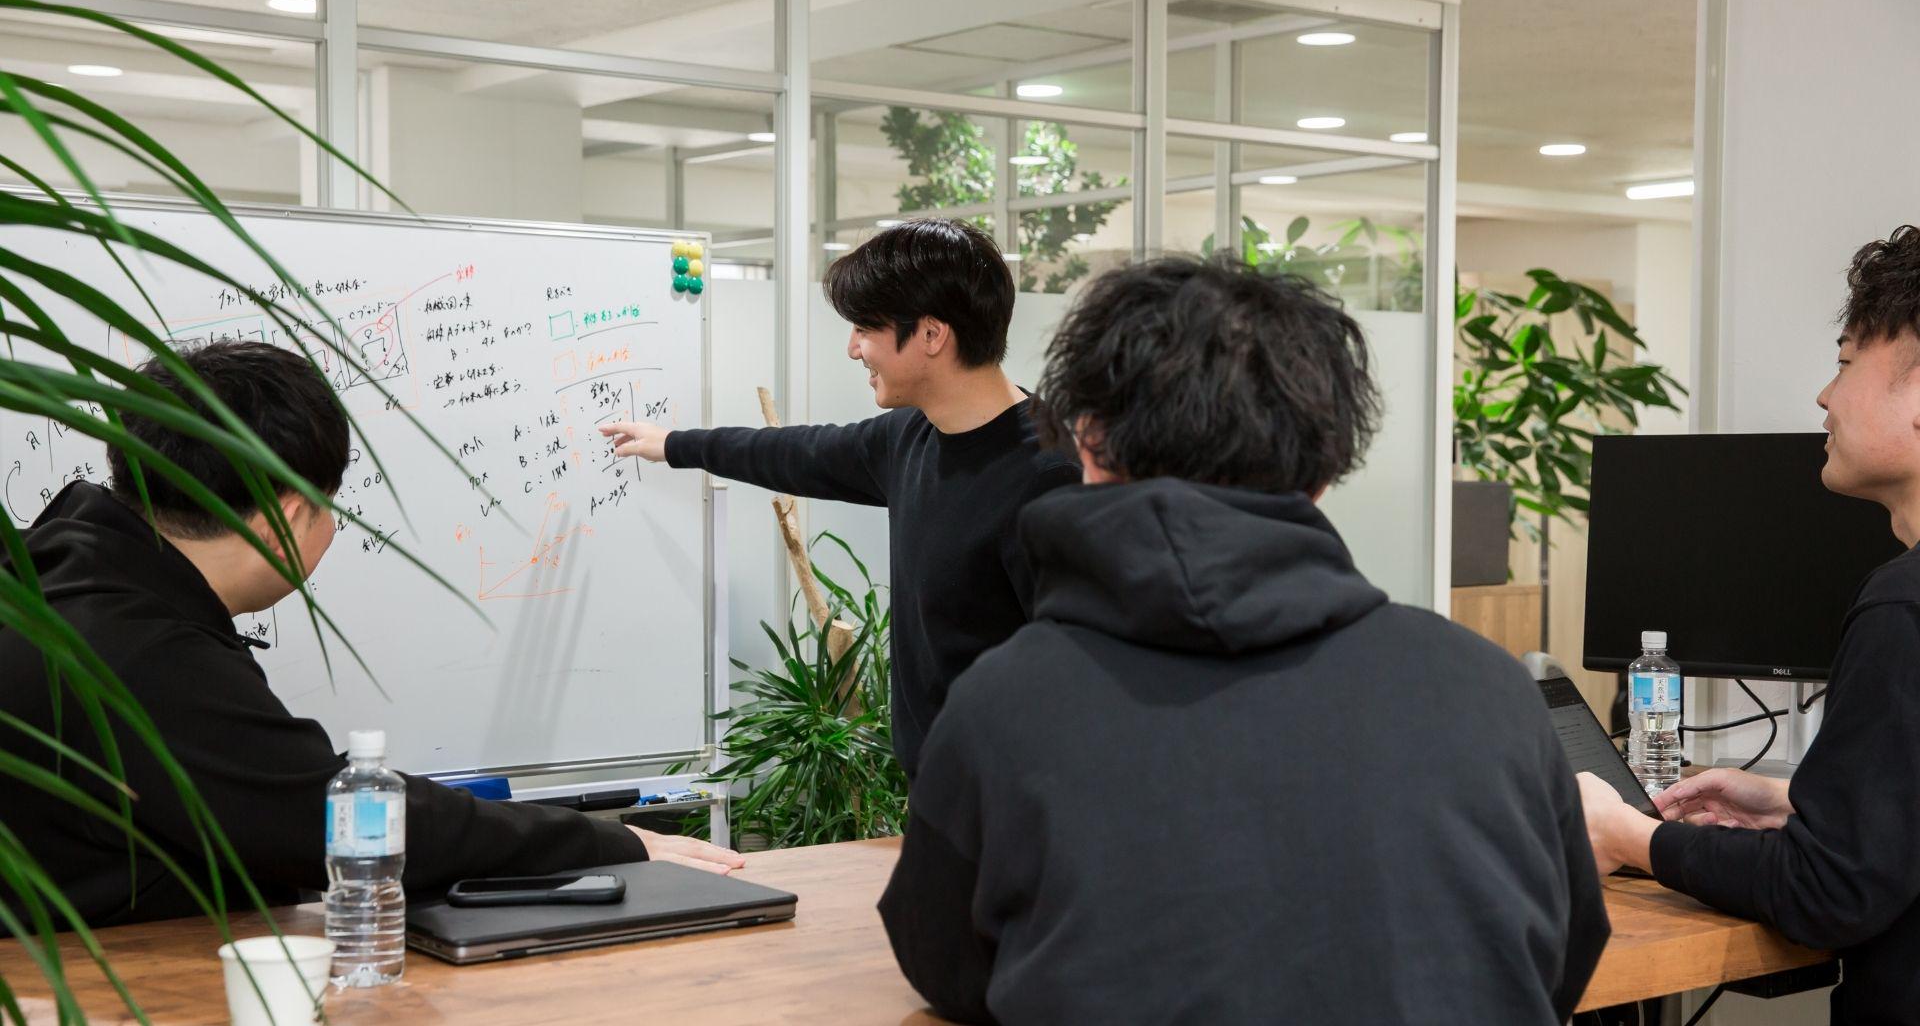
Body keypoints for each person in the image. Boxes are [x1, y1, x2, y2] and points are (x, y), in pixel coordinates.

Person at [878, 256, 1610, 1023]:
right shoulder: (1488, 690)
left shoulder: (1004, 708)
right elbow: (1560, 955)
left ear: (1087, 443)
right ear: (1324, 471)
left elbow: (946, 962)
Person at [0, 340, 741, 928]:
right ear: (289, 514)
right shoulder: (138, 648)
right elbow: (338, 817)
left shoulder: (63, 569)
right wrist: (617, 842)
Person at [1580, 225, 1920, 1024]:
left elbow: (1827, 894)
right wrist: (1801, 805)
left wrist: (1629, 837)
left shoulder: (1904, 609)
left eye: (1846, 364)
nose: (1825, 397)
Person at [601, 219, 1080, 778]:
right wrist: (676, 444)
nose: (853, 349)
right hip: (938, 791)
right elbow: (800, 453)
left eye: (865, 328)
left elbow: (1080, 679)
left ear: (931, 334)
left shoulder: (1048, 477)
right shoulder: (912, 435)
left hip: (1013, 800)